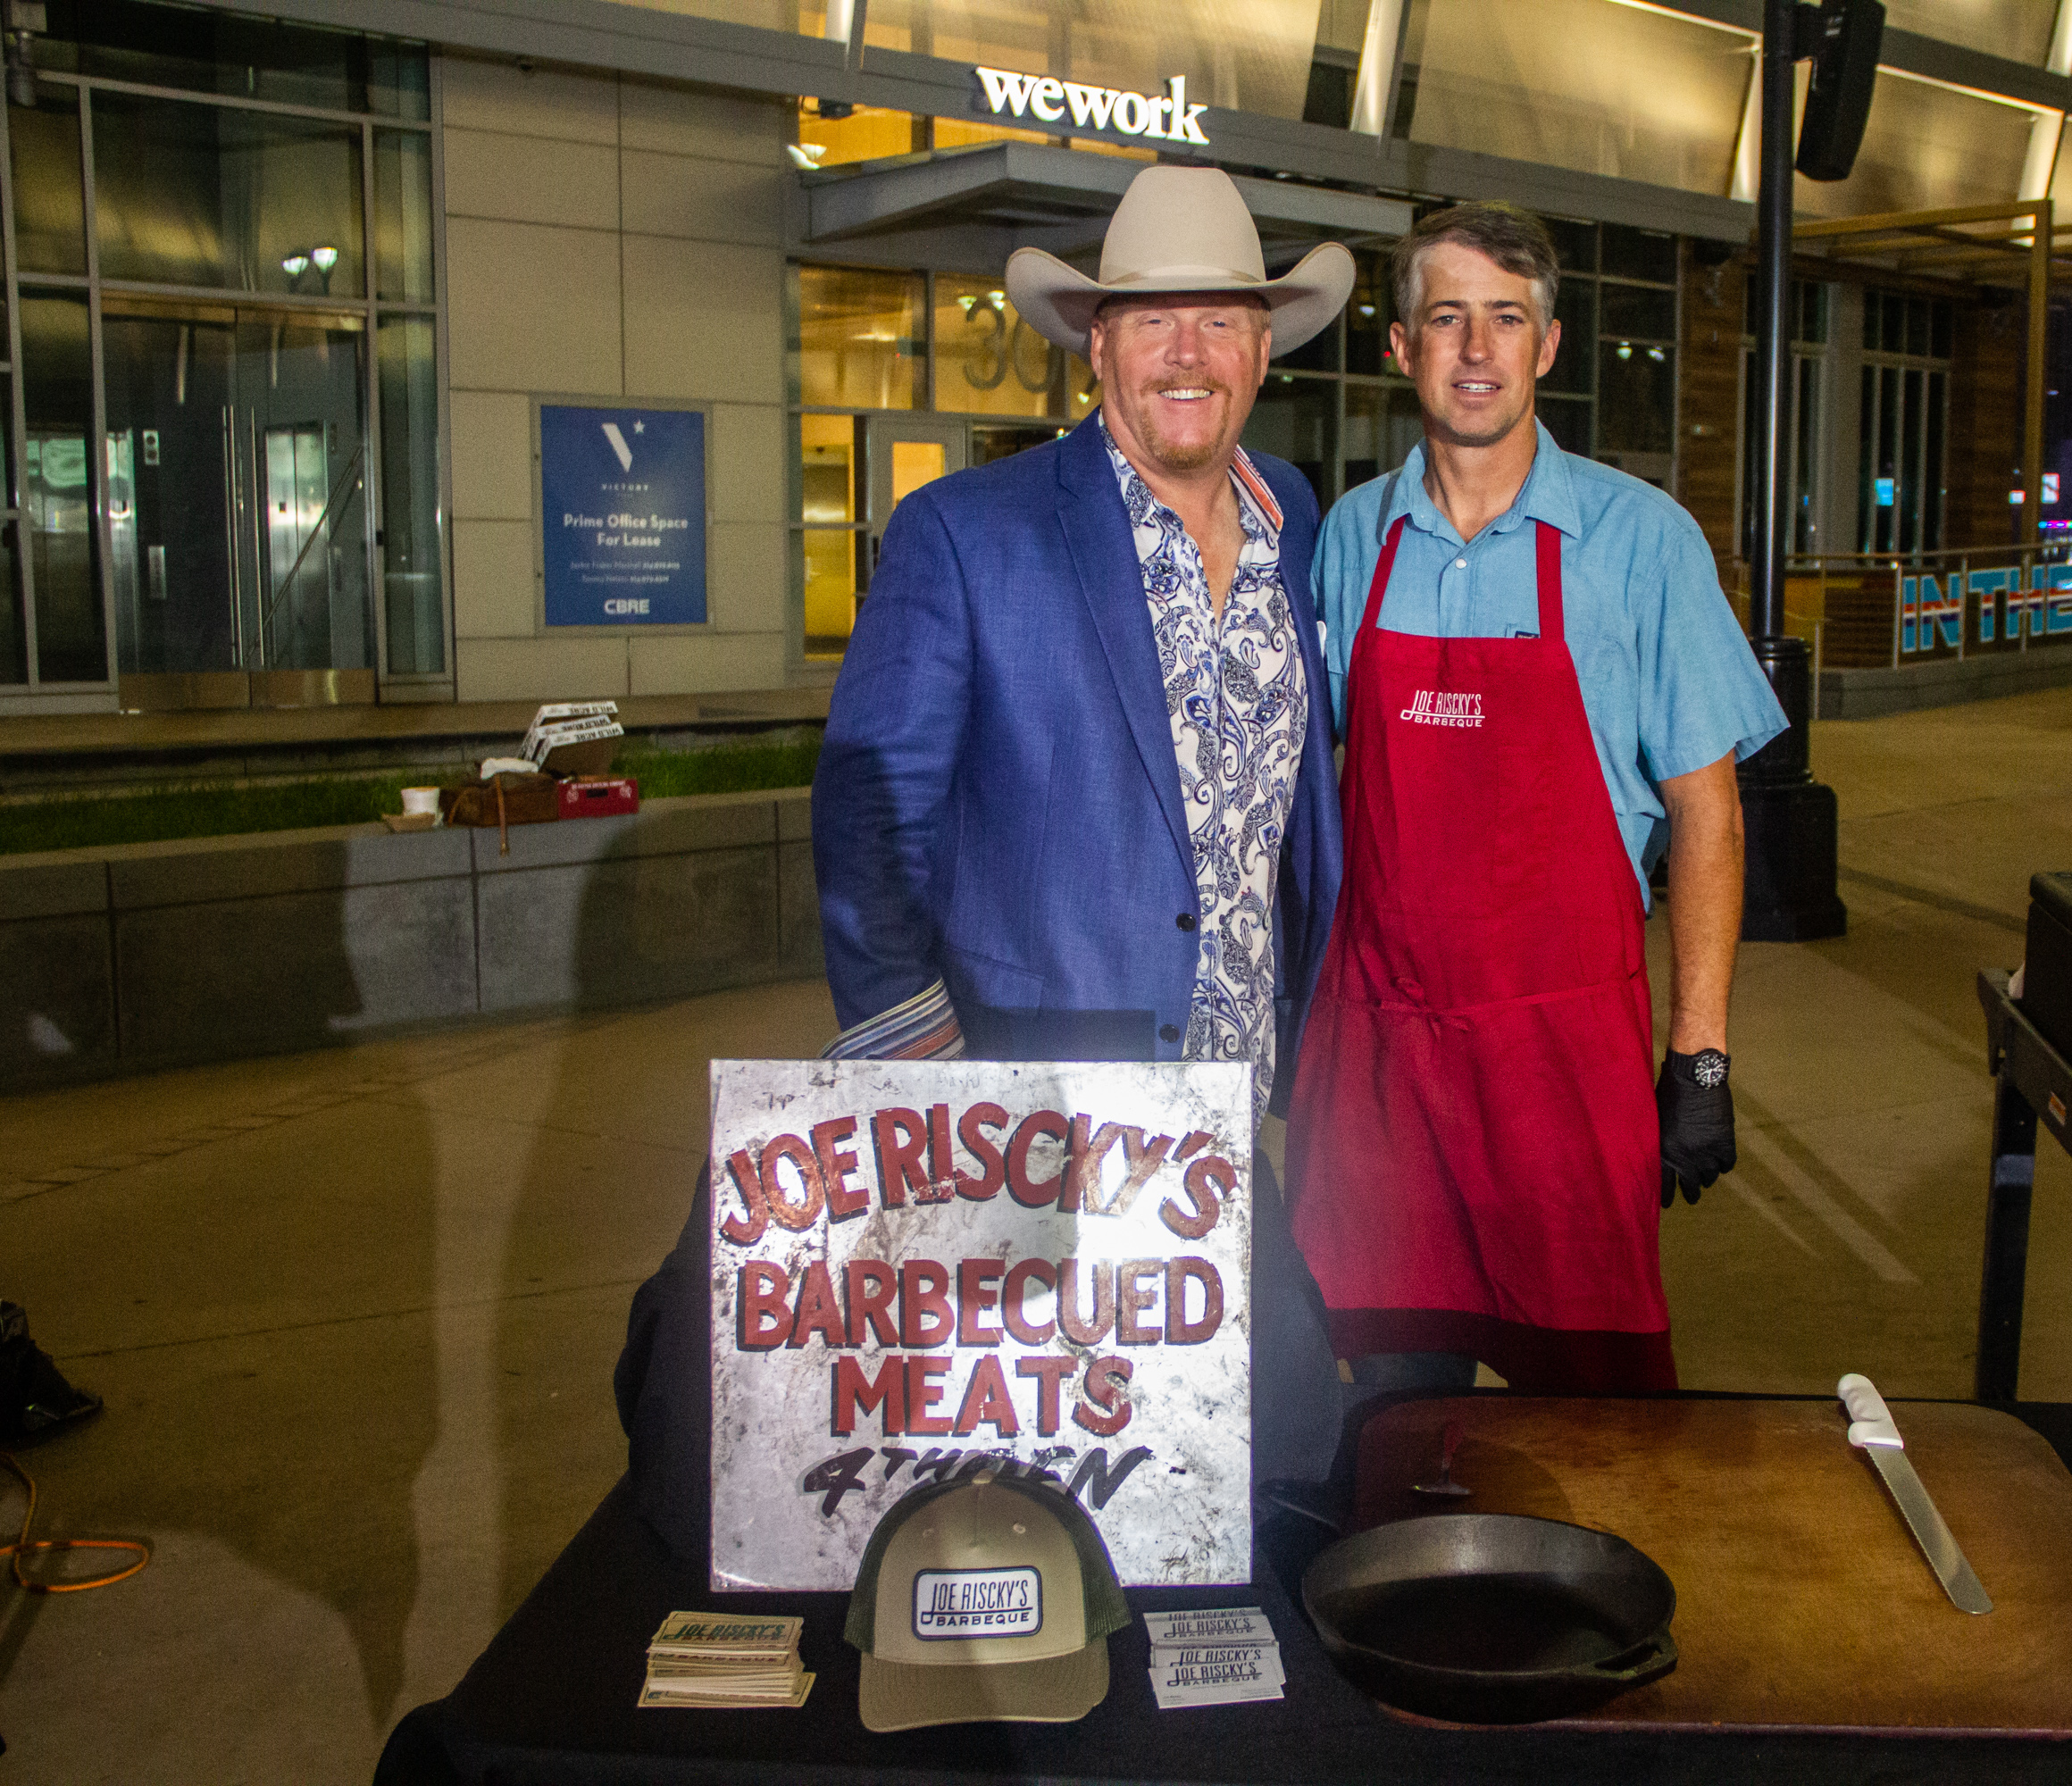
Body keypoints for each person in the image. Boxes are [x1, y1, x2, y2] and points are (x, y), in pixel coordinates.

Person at [614, 167, 1358, 1542]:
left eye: (1217, 320)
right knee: (1033, 1482)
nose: (1185, 352)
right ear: (1098, 347)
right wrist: (921, 1074)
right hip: (1030, 1118)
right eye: (1152, 322)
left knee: (1247, 1464)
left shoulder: (1296, 520)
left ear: (1265, 348)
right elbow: (870, 805)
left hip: (1227, 1108)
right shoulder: (972, 533)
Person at [1286, 204, 1785, 1395]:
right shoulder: (1352, 538)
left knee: (1600, 1426)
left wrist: (1700, 1055)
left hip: (1561, 1064)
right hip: (1390, 1062)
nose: (1475, 348)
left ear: (1546, 348)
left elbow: (1710, 819)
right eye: (1445, 317)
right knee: (1402, 1420)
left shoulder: (1640, 542)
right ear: (1400, 348)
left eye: (1505, 320)